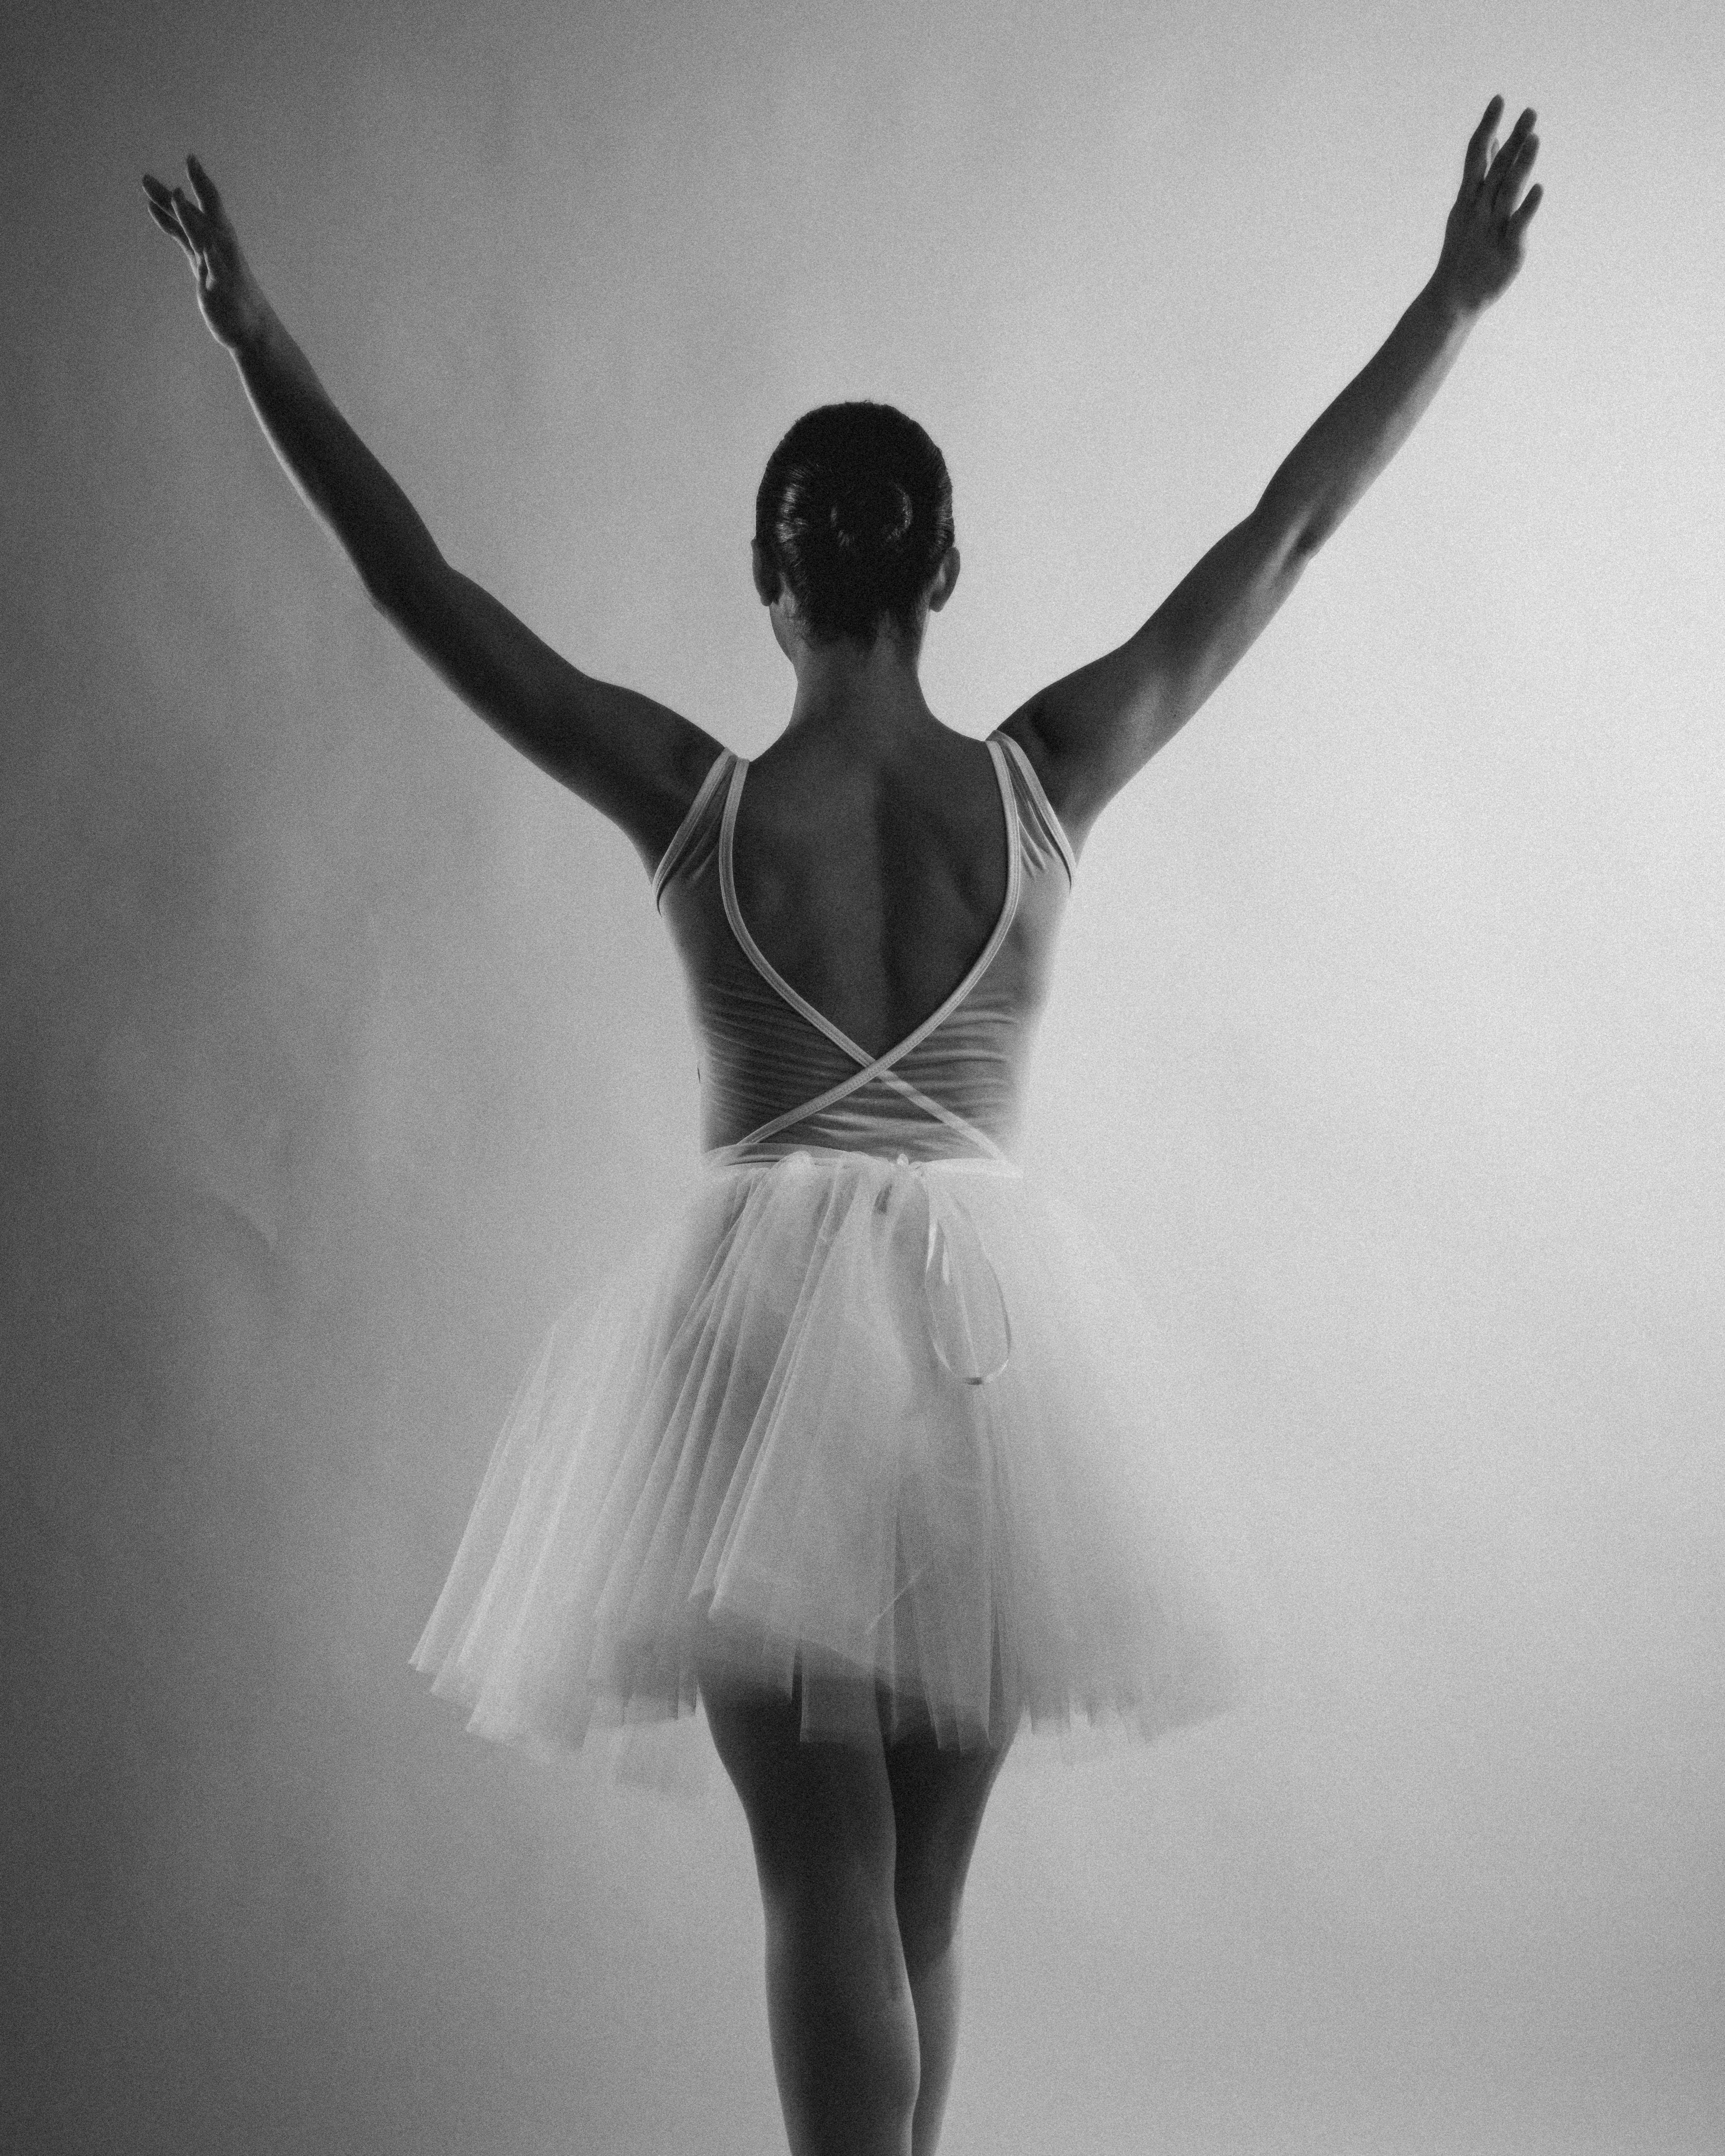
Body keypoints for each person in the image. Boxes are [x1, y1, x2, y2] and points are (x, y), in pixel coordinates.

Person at [144, 97, 1541, 2156]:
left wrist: (259, 338)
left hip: (755, 1335)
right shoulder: (1052, 773)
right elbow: (1287, 534)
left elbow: (411, 585)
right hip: (996, 1358)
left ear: (767, 574)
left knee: (817, 1883)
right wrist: (1448, 307)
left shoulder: (698, 801)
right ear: (945, 572)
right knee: (919, 1894)